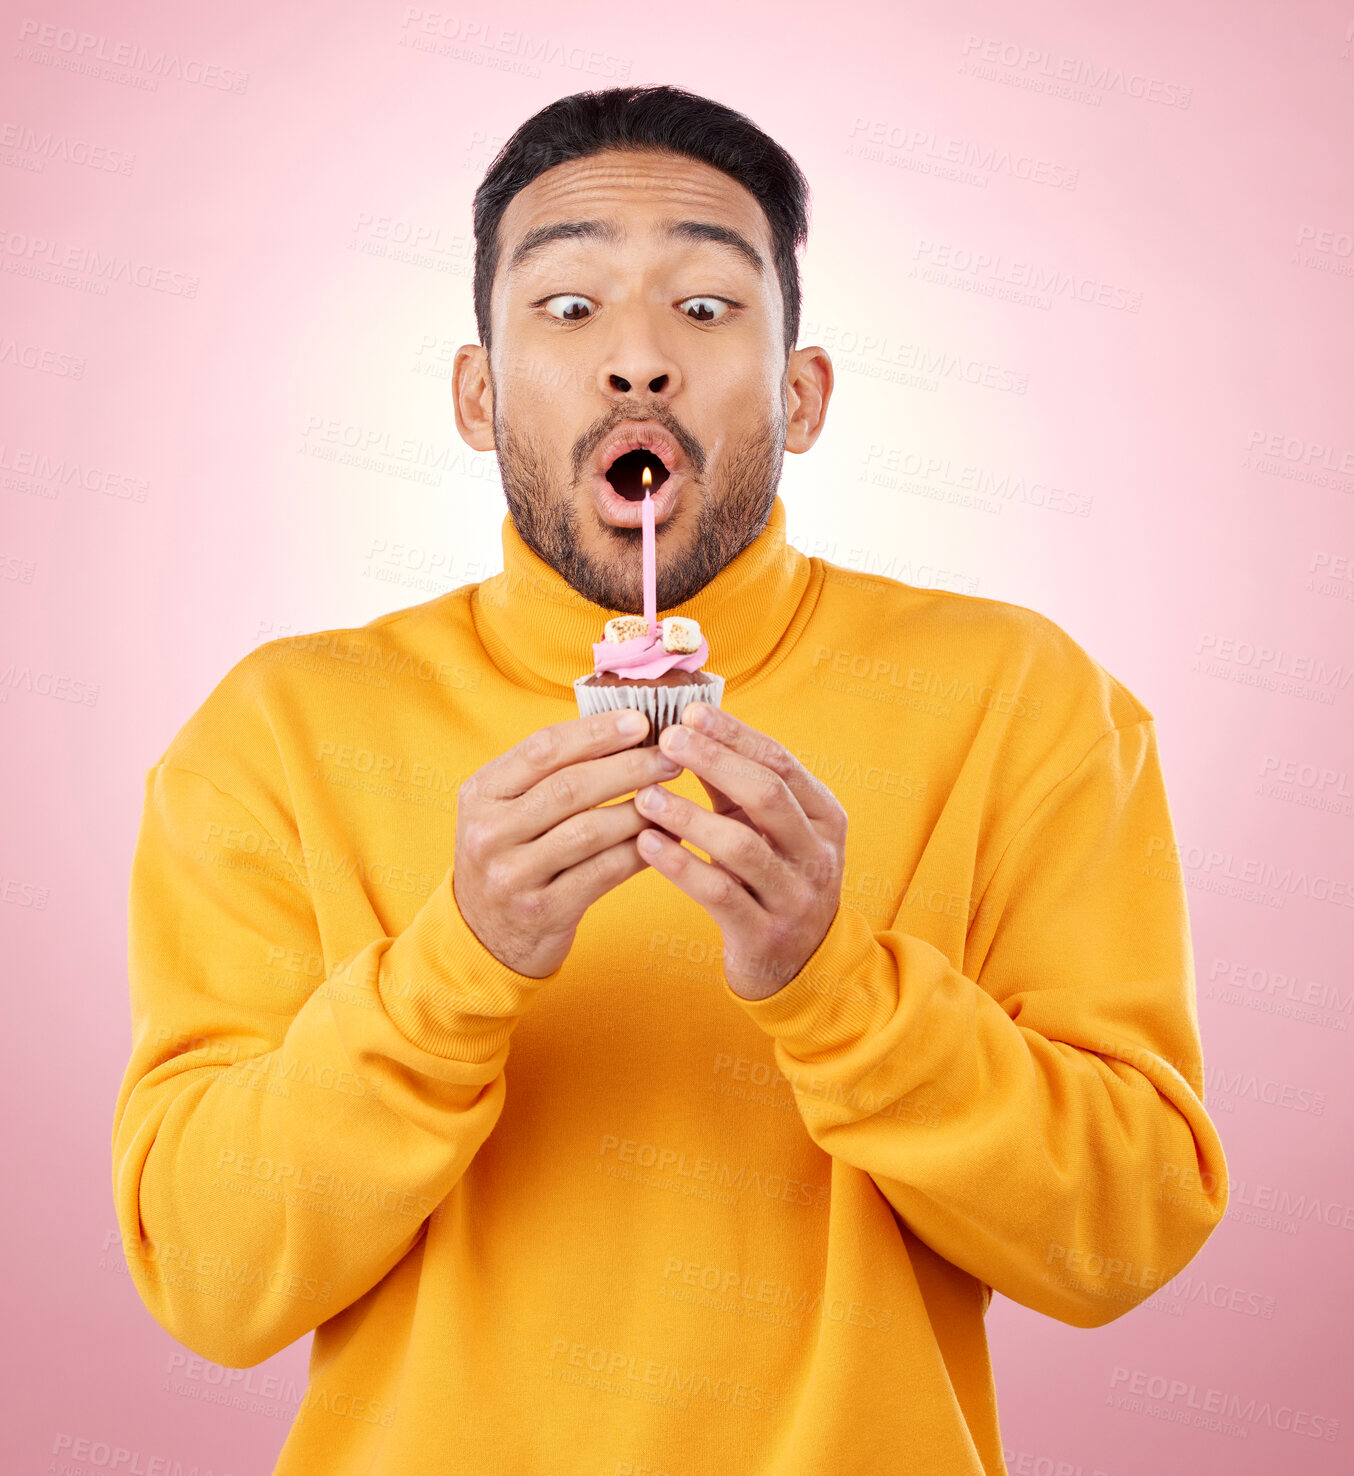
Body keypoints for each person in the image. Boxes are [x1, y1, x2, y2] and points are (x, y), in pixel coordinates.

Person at [111, 84, 1229, 1475]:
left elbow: (1121, 1239)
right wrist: (454, 968)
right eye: (567, 308)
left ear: (799, 393)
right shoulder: (278, 733)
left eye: (704, 310)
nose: (636, 360)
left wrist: (840, 980)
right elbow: (212, 1281)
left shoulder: (1018, 702)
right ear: (476, 393)